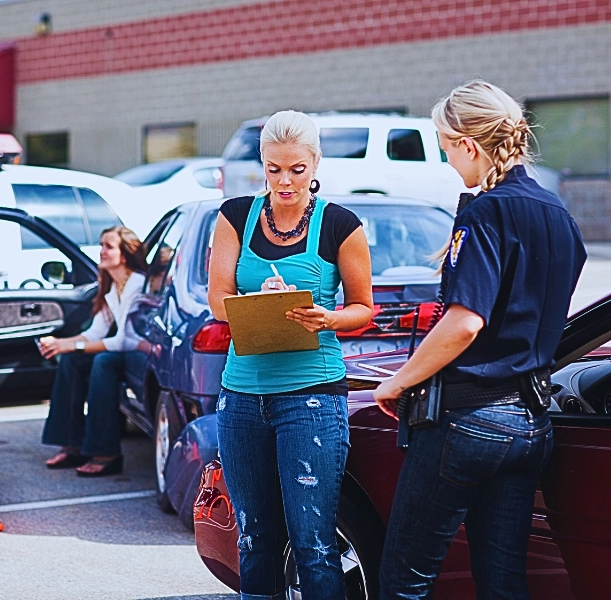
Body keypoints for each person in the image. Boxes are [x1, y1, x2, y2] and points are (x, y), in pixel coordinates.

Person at [374, 81, 587, 599]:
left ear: (469, 145)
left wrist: (398, 383)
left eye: (446, 148)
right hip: (531, 424)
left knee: (404, 580)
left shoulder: (485, 212)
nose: (448, 162)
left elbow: (465, 321)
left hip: (467, 421)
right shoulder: (557, 214)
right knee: (504, 583)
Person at [207, 110, 373, 599]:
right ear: (262, 163)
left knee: (313, 544)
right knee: (255, 539)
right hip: (242, 397)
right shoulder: (235, 215)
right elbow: (218, 299)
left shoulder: (340, 224)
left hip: (311, 399)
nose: (285, 181)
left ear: (315, 163)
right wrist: (256, 305)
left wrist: (326, 317)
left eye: (297, 170)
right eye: (274, 169)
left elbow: (362, 308)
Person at [38, 226, 148, 477]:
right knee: (71, 360)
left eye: (108, 246)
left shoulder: (136, 283)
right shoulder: (111, 286)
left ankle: (105, 452)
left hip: (142, 353)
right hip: (126, 349)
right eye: (101, 245)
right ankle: (72, 444)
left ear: (126, 253)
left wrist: (70, 344)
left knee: (103, 362)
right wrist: (61, 343)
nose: (101, 251)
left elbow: (124, 341)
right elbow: (97, 332)